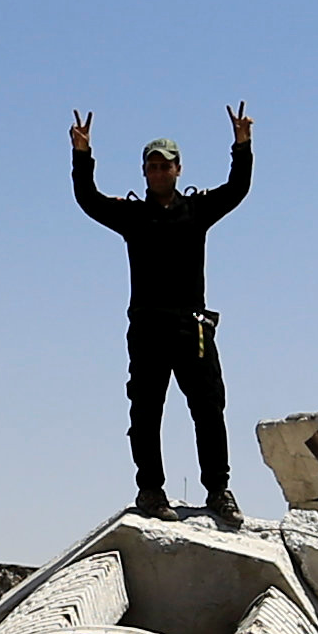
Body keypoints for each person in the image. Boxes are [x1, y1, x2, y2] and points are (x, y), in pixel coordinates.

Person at [69, 101, 253, 525]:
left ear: (178, 170)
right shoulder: (133, 216)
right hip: (148, 327)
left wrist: (241, 145)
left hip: (192, 327)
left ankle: (218, 490)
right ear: (144, 173)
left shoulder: (197, 210)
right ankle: (151, 490)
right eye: (151, 166)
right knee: (146, 411)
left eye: (165, 166)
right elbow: (89, 200)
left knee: (208, 409)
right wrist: (82, 155)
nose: (159, 172)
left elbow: (237, 189)